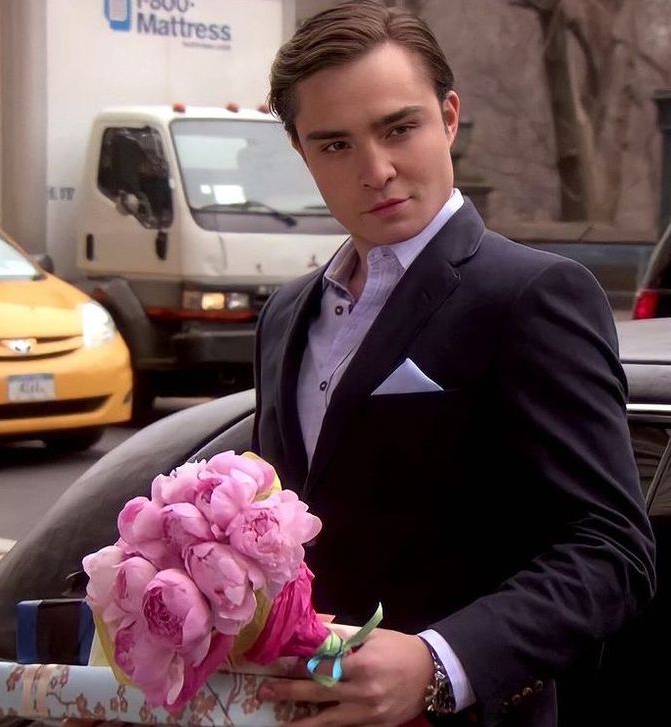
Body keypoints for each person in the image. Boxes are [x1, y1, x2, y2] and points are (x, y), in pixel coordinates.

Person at [249, 1, 656, 725]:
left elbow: (611, 551)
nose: (376, 171)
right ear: (302, 151)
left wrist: (440, 663)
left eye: (398, 128)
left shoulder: (532, 295)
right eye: (336, 145)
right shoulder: (286, 314)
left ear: (450, 116)